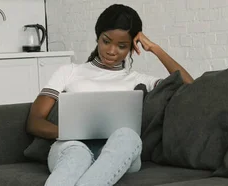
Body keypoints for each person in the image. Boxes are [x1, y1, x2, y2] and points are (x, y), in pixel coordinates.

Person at [26, 4, 194, 186]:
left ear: (132, 47)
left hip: (118, 152)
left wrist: (155, 48)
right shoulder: (69, 71)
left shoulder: (139, 79)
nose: (112, 51)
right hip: (71, 146)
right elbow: (34, 121)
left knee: (128, 136)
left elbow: (191, 87)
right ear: (98, 38)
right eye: (106, 41)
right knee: (77, 152)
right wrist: (70, 133)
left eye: (122, 46)